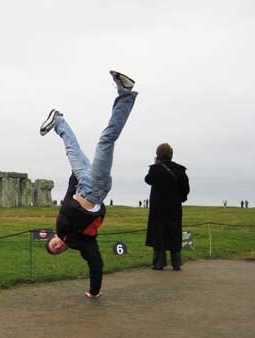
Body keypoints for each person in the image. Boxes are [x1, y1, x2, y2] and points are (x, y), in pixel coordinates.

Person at [40, 70, 138, 298]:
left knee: (71, 149)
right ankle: (126, 93)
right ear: (62, 250)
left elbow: (66, 198)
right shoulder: (81, 243)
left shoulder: (60, 226)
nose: (55, 247)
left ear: (52, 239)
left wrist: (74, 176)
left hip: (82, 183)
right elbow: (96, 263)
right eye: (56, 251)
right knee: (106, 140)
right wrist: (94, 292)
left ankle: (59, 120)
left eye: (51, 246)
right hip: (94, 190)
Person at [145, 143, 190, 270]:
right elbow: (185, 189)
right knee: (174, 233)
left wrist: (155, 164)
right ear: (171, 155)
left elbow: (148, 180)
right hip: (174, 208)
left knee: (158, 234)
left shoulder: (156, 169)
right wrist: (180, 199)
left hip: (157, 208)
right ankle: (176, 263)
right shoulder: (180, 170)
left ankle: (159, 263)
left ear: (158, 155)